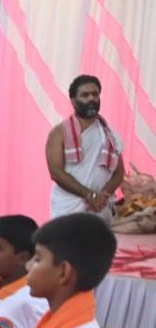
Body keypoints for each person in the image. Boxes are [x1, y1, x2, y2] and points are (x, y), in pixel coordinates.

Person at [46, 74, 126, 221]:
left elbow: (119, 172)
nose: (91, 99)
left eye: (95, 94)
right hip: (68, 208)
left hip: (100, 208)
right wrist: (89, 195)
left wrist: (101, 197)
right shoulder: (59, 133)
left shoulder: (110, 134)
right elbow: (56, 173)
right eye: (85, 95)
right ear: (73, 101)